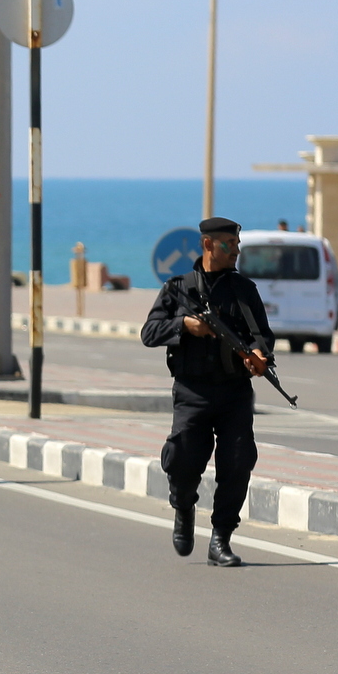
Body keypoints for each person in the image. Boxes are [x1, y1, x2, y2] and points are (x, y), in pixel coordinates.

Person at [141, 216, 276, 567]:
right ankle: (183, 507)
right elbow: (149, 332)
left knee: (237, 463)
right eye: (228, 245)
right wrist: (184, 326)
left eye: (237, 245)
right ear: (208, 245)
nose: (235, 251)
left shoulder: (243, 290)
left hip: (234, 392)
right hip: (192, 391)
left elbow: (261, 334)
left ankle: (221, 539)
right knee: (183, 458)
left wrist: (260, 355)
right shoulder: (178, 288)